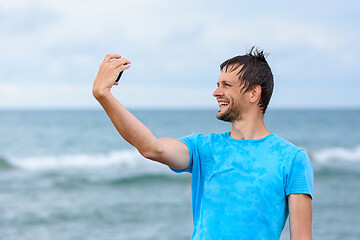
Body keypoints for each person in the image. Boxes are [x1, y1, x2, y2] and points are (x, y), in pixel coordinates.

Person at [92, 48, 314, 240]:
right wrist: (104, 95)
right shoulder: (202, 148)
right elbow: (152, 148)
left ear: (254, 93)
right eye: (217, 84)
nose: (216, 92)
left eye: (226, 85)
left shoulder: (292, 159)